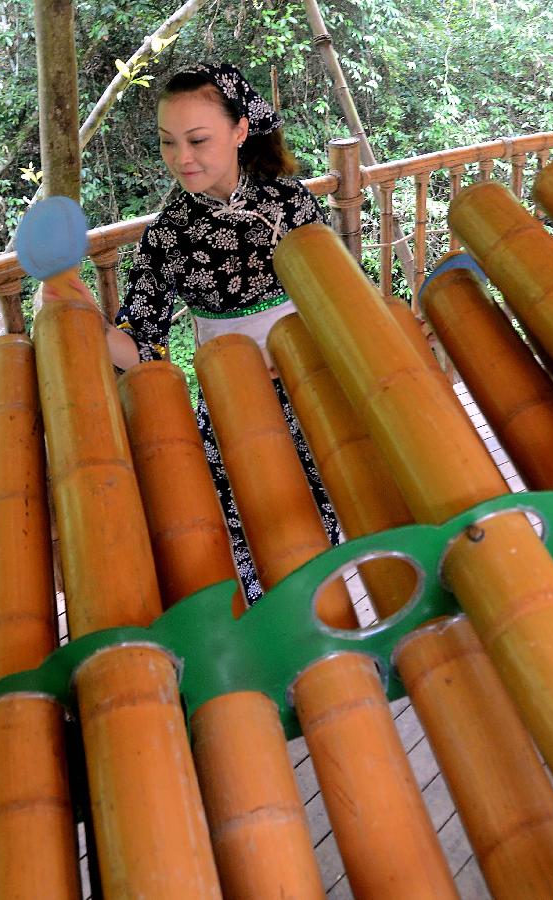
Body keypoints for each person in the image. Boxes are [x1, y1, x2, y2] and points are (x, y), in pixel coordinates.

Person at [58, 63, 340, 602]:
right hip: (231, 404)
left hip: (313, 388)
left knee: (317, 530)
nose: (181, 157)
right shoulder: (167, 235)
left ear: (239, 132)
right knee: (247, 541)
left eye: (198, 139)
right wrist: (79, 313)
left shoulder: (290, 201)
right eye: (168, 142)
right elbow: (140, 348)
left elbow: (335, 296)